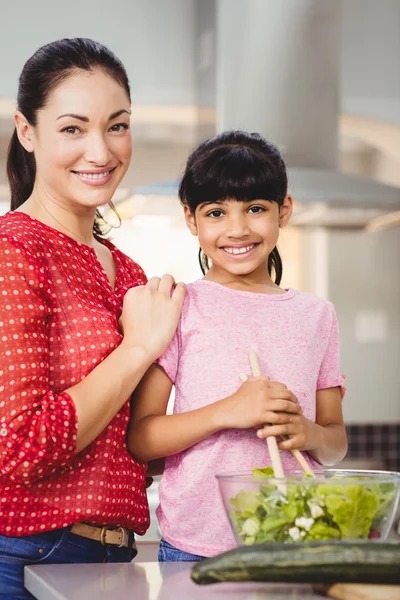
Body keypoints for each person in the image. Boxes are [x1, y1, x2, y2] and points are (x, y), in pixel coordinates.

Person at [0, 38, 185, 598]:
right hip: (23, 555)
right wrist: (136, 350)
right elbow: (21, 446)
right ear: (27, 132)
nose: (101, 151)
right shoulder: (14, 251)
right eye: (73, 128)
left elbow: (134, 447)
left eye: (117, 125)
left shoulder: (130, 273)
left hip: (117, 553)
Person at [128, 130, 348, 561]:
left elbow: (335, 441)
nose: (237, 229)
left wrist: (309, 433)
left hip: (294, 540)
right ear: (191, 220)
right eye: (215, 212)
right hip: (196, 547)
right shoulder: (178, 306)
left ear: (283, 211)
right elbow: (141, 438)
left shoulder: (317, 315)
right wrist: (228, 411)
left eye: (255, 209)